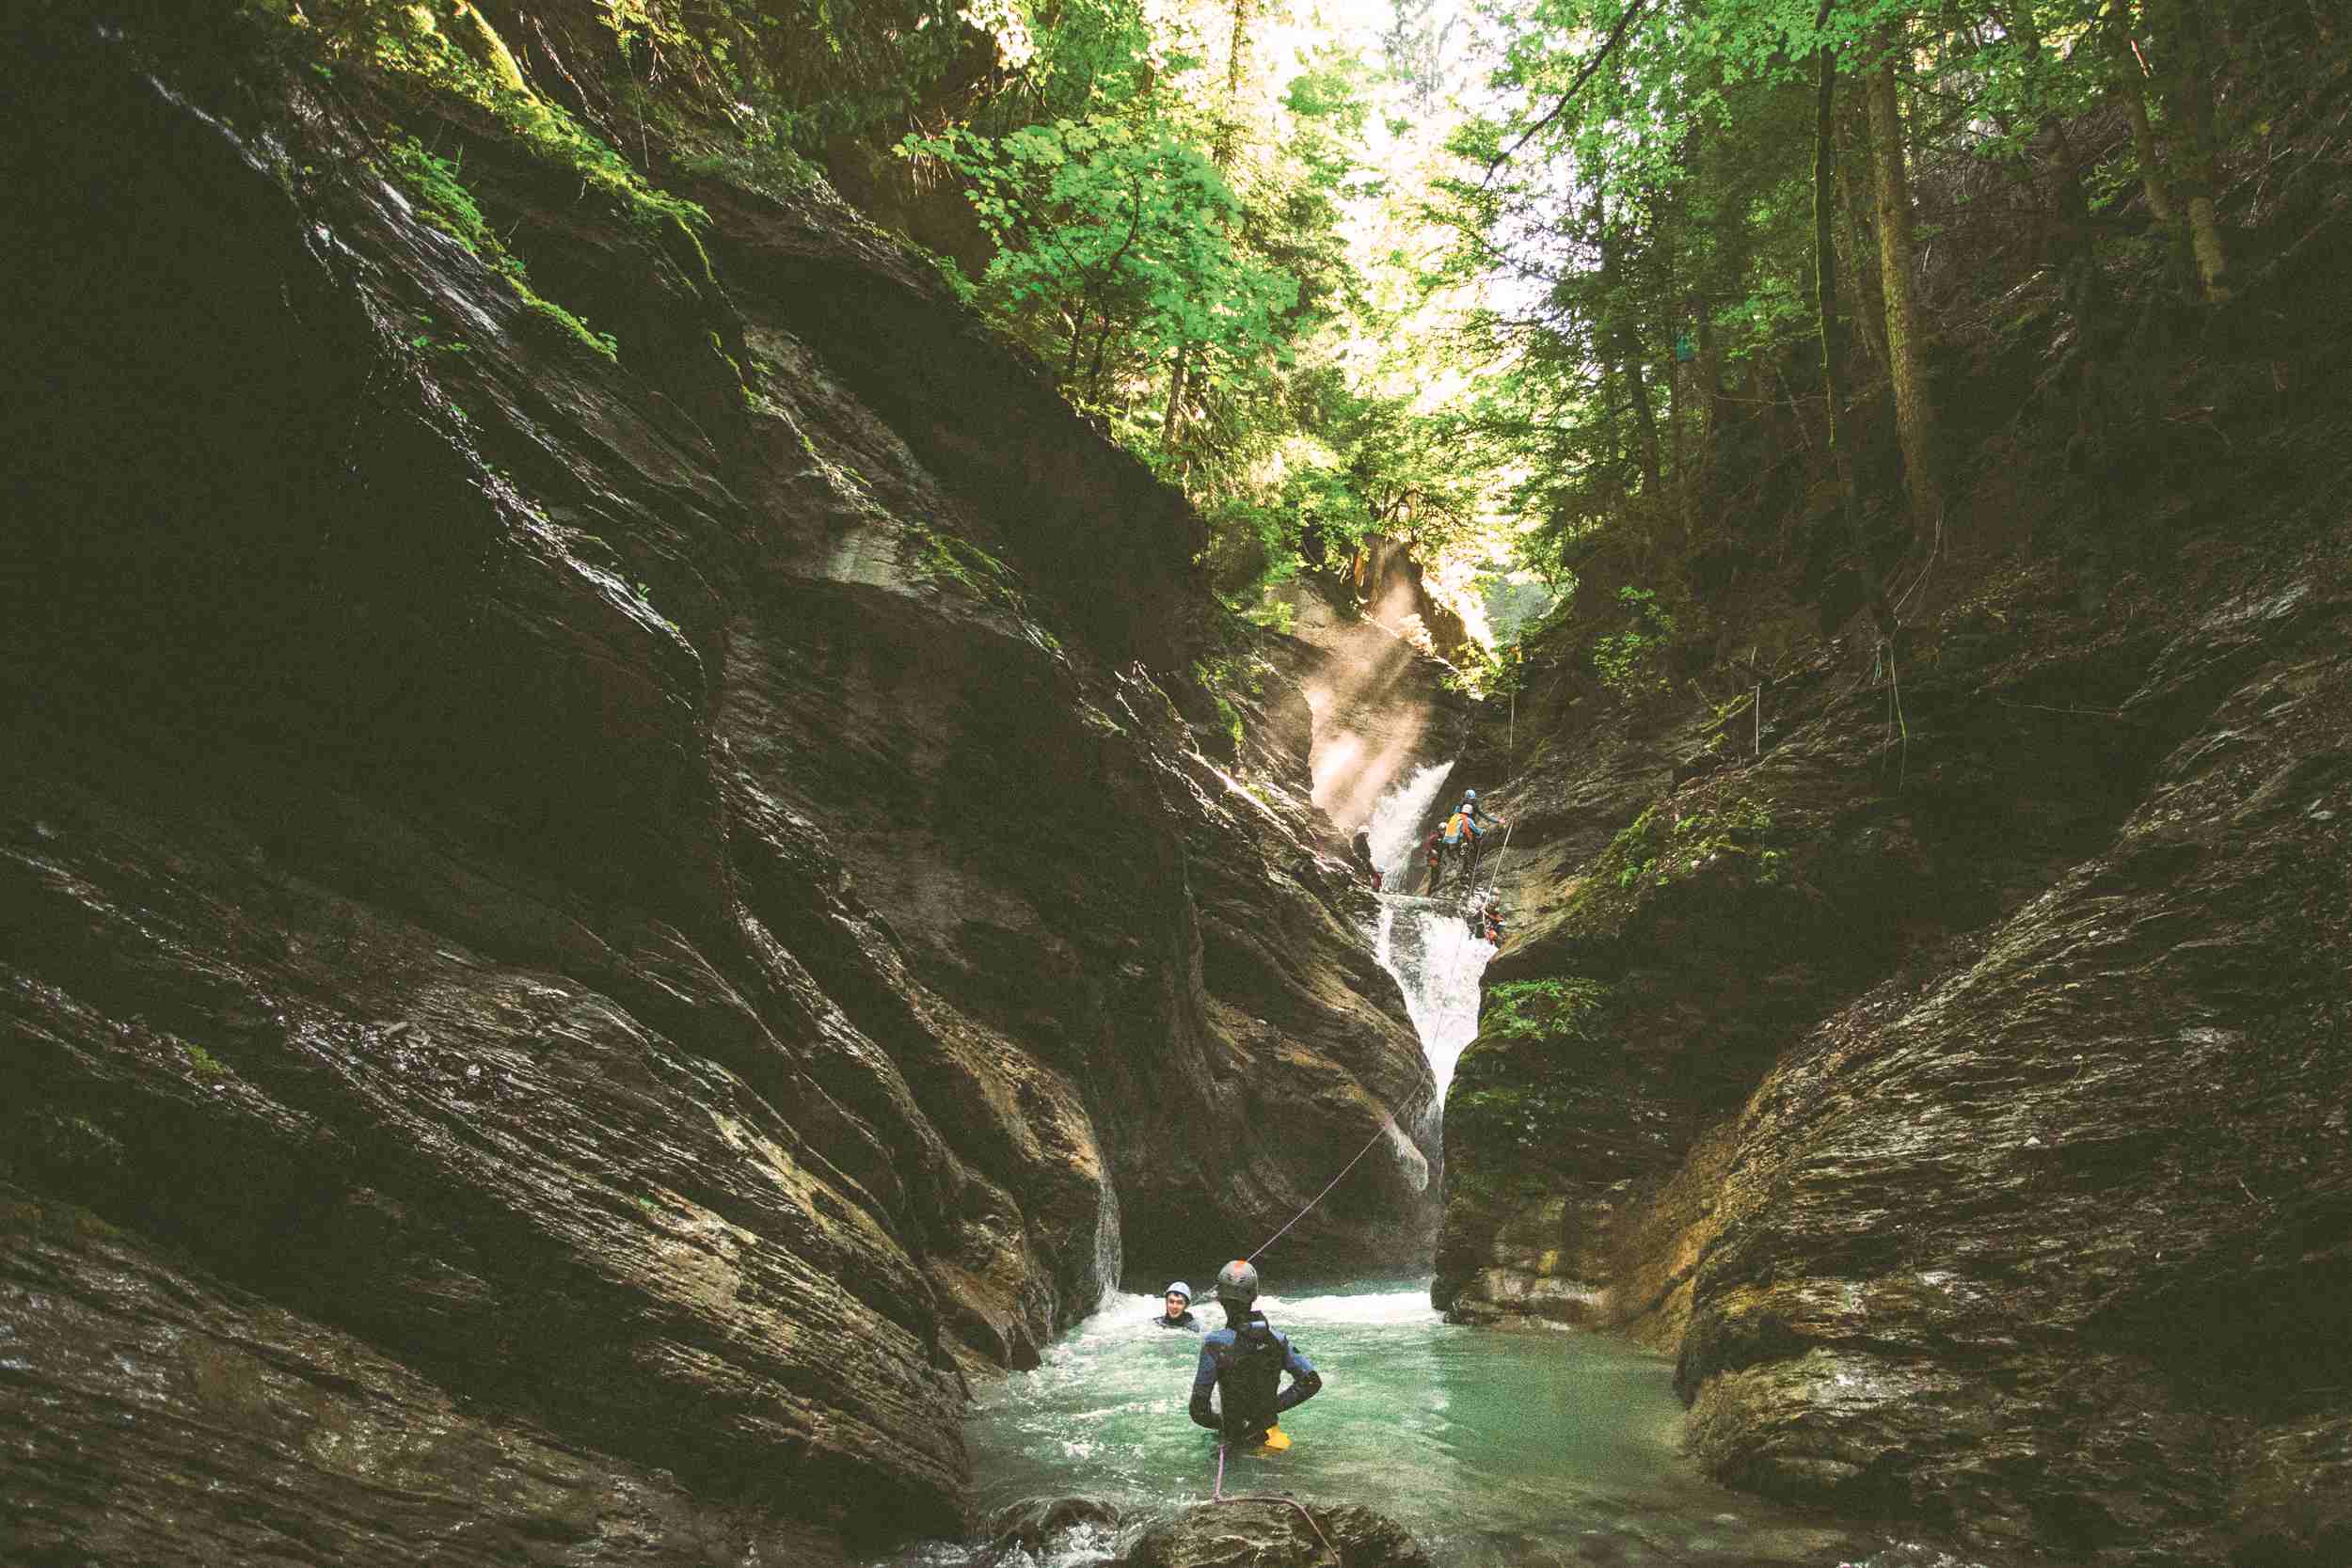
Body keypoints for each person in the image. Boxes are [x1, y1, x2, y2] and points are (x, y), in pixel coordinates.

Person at [1188, 1259, 1321, 1450]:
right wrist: (1270, 1408)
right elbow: (1311, 1382)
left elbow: (1198, 1411)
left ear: (1221, 1299)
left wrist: (1223, 1424)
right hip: (1271, 1438)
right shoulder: (1277, 1338)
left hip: (1235, 1440)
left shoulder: (1214, 1344)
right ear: (1254, 1296)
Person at [1348, 828, 1383, 892]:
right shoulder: (1360, 839)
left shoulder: (1358, 839)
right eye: (1367, 834)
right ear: (1364, 833)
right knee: (1374, 875)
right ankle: (1375, 888)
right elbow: (1359, 850)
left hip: (1363, 858)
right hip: (1363, 859)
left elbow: (1357, 849)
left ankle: (1373, 887)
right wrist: (1365, 856)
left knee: (1372, 874)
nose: (1368, 835)